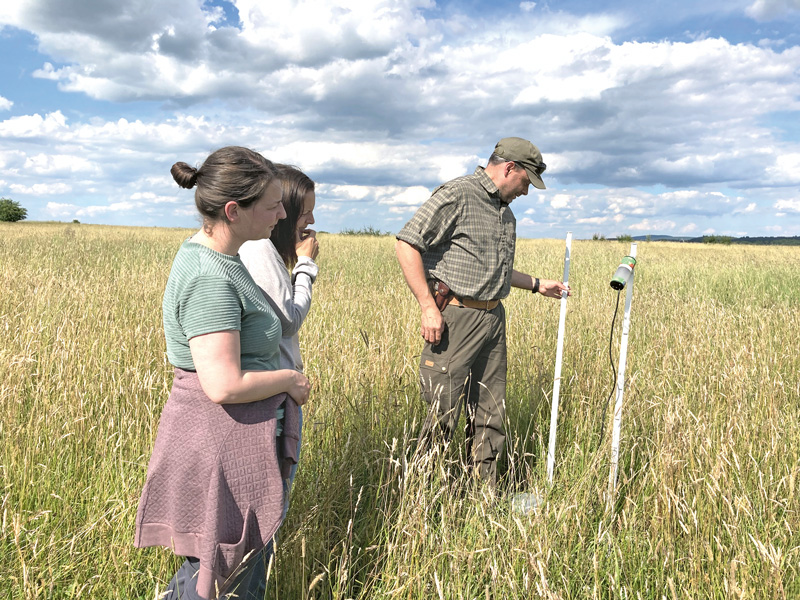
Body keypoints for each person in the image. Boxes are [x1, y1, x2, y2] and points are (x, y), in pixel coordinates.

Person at [135, 146, 311, 600]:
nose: (280, 214)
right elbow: (223, 384)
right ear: (234, 211)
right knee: (224, 575)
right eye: (272, 205)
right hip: (221, 442)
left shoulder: (223, 260)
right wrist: (290, 381)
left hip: (231, 438)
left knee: (218, 570)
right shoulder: (209, 276)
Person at [395, 137, 569, 487]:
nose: (527, 192)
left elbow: (495, 270)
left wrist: (537, 284)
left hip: (493, 320)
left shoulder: (505, 213)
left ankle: (482, 495)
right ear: (509, 168)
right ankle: (424, 499)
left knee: (490, 411)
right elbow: (406, 244)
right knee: (441, 413)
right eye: (526, 182)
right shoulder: (458, 194)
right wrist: (428, 307)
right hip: (454, 320)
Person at [239, 164, 319, 517]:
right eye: (305, 212)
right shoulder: (260, 251)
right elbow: (289, 320)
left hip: (270, 395)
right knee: (266, 514)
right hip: (270, 402)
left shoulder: (262, 251)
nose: (310, 220)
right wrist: (305, 266)